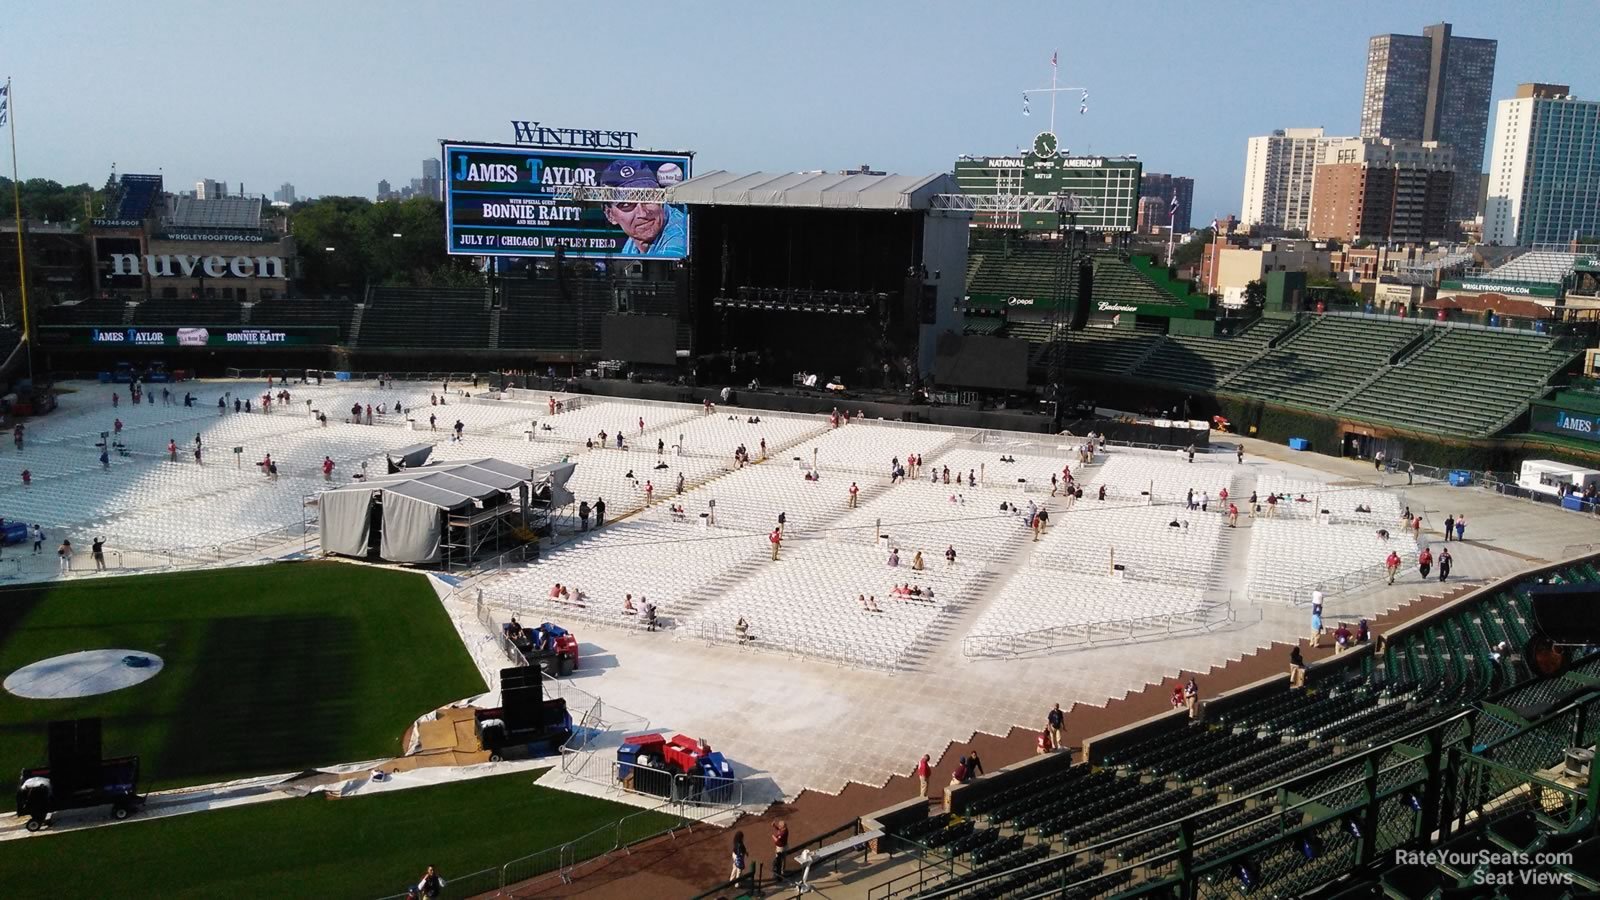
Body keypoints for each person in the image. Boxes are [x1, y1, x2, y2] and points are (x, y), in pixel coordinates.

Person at [600, 159, 689, 257]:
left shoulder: (679, 240)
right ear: (610, 215)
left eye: (648, 198)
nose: (642, 213)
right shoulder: (634, 241)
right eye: (626, 204)